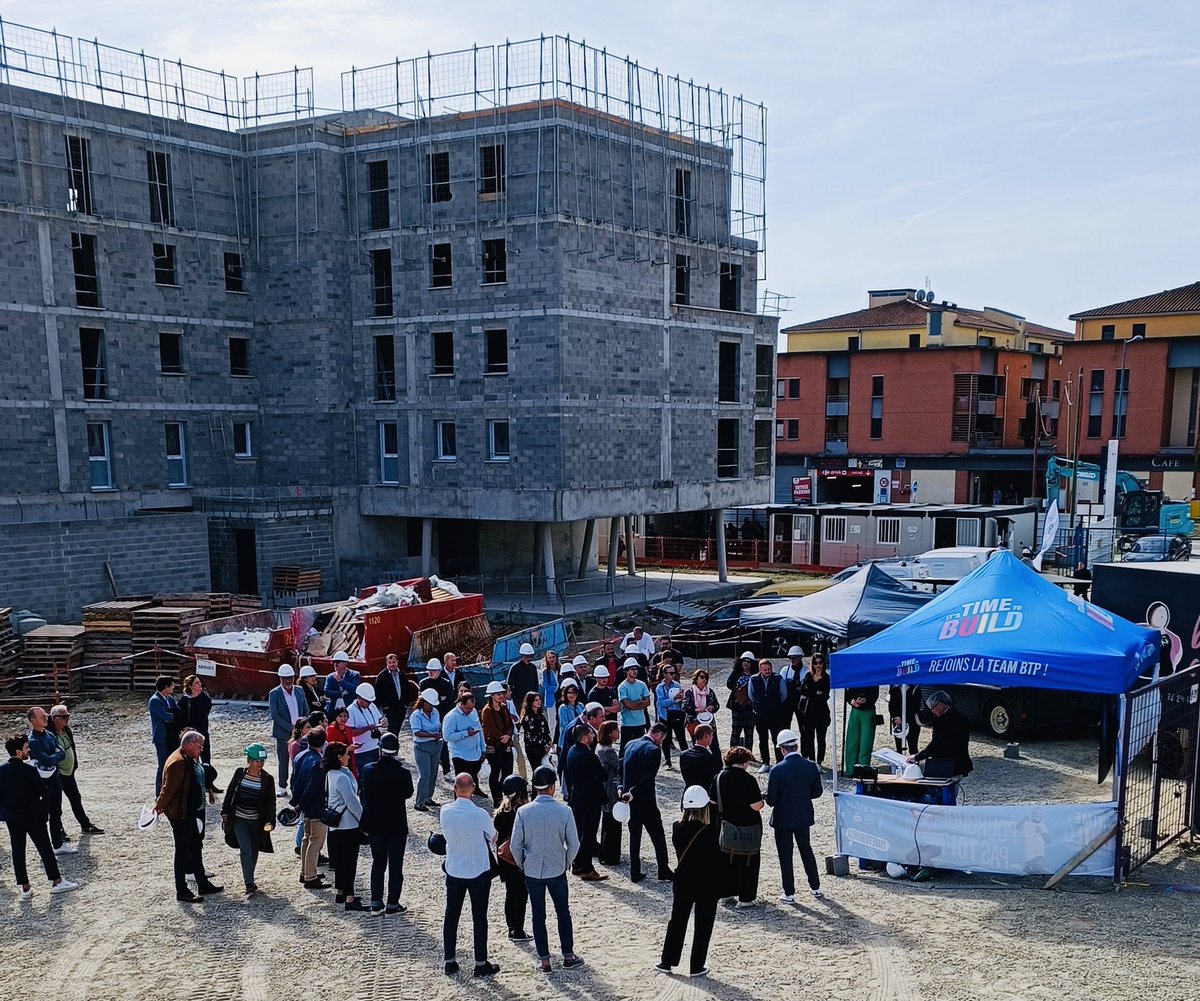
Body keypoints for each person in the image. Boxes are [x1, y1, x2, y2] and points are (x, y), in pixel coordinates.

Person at [511, 765, 584, 972]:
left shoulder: (524, 812)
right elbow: (574, 844)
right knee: (563, 912)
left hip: (532, 870)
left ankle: (544, 960)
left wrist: (522, 863)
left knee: (538, 915)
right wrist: (566, 862)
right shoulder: (564, 810)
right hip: (556, 869)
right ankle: (568, 955)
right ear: (552, 786)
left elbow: (516, 844)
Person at [0, 733, 79, 898]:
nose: (28, 751)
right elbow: (42, 792)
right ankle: (56, 881)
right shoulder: (29, 770)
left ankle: (25, 887)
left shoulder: (1, 771)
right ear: (18, 751)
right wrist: (43, 810)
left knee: (18, 850)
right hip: (32, 816)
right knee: (44, 849)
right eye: (26, 748)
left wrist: (5, 813)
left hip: (13, 818)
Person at [655, 785, 720, 978]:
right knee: (703, 924)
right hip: (707, 882)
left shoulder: (677, 828)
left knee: (677, 921)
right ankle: (696, 966)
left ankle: (667, 961)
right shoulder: (711, 831)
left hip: (683, 880)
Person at [441, 773, 501, 978]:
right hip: (478, 871)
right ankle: (480, 962)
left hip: (455, 869)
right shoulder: (480, 814)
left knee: (452, 915)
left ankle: (450, 960)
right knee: (479, 917)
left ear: (455, 789)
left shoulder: (445, 811)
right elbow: (493, 837)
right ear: (473, 788)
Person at [154, 730, 223, 903]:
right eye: (200, 746)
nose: (202, 749)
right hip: (180, 813)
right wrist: (158, 807)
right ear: (190, 744)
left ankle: (202, 883)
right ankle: (182, 890)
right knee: (182, 851)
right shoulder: (178, 762)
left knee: (195, 846)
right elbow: (168, 789)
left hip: (188, 811)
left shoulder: (188, 757)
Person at [765, 729, 824, 903]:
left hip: (783, 818)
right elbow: (817, 792)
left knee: (785, 855)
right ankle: (815, 887)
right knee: (806, 850)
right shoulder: (810, 766)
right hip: (803, 815)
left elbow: (771, 800)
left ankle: (789, 892)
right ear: (796, 746)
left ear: (782, 749)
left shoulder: (777, 770)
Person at [360, 731, 413, 915]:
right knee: (396, 866)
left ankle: (376, 902)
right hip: (396, 825)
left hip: (375, 824)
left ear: (380, 750)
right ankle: (392, 903)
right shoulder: (403, 773)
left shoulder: (368, 770)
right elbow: (408, 794)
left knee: (378, 863)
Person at [219, 743, 276, 898]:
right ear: (249, 761)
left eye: (262, 761)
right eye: (257, 761)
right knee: (245, 849)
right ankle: (249, 882)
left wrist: (271, 822)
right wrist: (225, 812)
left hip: (257, 821)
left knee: (254, 849)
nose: (260, 764)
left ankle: (249, 877)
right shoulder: (239, 774)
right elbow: (230, 793)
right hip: (239, 819)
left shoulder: (267, 779)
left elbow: (271, 803)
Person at [711, 745, 764, 907]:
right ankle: (745, 898)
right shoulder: (749, 780)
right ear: (744, 762)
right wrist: (762, 800)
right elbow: (756, 806)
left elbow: (713, 802)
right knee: (748, 862)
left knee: (726, 860)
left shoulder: (718, 778)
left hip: (726, 825)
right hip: (748, 826)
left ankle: (725, 894)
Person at [620, 722, 673, 883]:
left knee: (634, 836)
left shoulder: (630, 744)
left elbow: (620, 768)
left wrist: (621, 788)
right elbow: (648, 779)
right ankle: (663, 869)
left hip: (629, 800)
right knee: (657, 836)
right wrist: (634, 793)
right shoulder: (654, 750)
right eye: (662, 739)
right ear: (659, 735)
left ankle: (634, 871)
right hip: (645, 801)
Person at [323, 740, 366, 910]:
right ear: (339, 757)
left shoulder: (331, 774)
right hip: (347, 825)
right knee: (349, 863)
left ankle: (341, 892)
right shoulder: (341, 777)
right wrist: (364, 821)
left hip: (336, 826)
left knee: (340, 862)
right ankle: (350, 897)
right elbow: (352, 803)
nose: (349, 756)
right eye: (346, 754)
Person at [48, 706, 103, 836]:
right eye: (64, 717)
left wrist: (74, 765)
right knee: (56, 805)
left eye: (68, 716)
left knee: (76, 799)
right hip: (57, 774)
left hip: (69, 772)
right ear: (54, 718)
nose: (67, 719)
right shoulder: (49, 735)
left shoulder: (67, 731)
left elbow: (72, 747)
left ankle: (85, 824)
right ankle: (59, 831)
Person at [564, 723, 608, 881]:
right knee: (589, 835)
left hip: (577, 798)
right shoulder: (589, 756)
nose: (593, 736)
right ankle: (587, 868)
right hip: (590, 800)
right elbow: (603, 775)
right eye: (590, 734)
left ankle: (577, 864)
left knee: (580, 833)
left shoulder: (572, 751)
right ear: (584, 738)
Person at [290, 726, 330, 889]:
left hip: (304, 805)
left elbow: (294, 780)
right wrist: (302, 805)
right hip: (315, 806)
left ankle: (305, 872)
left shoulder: (300, 755)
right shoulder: (318, 763)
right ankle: (311, 877)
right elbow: (312, 788)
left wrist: (297, 803)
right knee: (316, 842)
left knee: (307, 839)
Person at [26, 706, 70, 854]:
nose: (46, 718)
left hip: (55, 778)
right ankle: (45, 847)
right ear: (33, 720)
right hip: (42, 783)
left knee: (56, 812)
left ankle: (57, 844)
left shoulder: (49, 734)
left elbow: (61, 752)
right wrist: (55, 756)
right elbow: (46, 760)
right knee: (43, 815)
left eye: (45, 715)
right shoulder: (32, 740)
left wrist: (54, 756)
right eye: (42, 716)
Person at [493, 774, 532, 942]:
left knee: (510, 893)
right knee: (521, 894)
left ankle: (512, 927)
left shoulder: (500, 813)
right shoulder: (522, 813)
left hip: (504, 859)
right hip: (518, 858)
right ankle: (518, 929)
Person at [908, 690, 974, 777]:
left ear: (940, 705)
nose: (932, 712)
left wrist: (918, 757)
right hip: (961, 762)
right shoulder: (962, 717)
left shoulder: (942, 721)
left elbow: (936, 744)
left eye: (932, 709)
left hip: (946, 763)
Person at [268, 664, 307, 795]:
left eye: (289, 678)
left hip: (300, 733)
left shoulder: (300, 690)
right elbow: (275, 715)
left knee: (301, 759)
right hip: (283, 733)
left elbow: (306, 709)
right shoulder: (274, 694)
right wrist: (292, 728)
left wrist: (303, 727)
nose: (288, 681)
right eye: (285, 679)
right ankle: (282, 786)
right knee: (283, 760)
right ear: (280, 679)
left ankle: (299, 785)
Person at [750, 658, 788, 773]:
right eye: (765, 669)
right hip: (760, 714)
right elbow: (751, 695)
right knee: (763, 739)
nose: (767, 671)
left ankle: (780, 762)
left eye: (769, 669)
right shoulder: (753, 679)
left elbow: (784, 695)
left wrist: (773, 705)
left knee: (777, 739)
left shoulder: (778, 679)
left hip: (774, 714)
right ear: (760, 670)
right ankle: (765, 762)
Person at [595, 721, 624, 865]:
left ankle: (607, 853)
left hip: (605, 789)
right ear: (609, 733)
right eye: (616, 731)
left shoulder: (600, 747)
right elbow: (620, 765)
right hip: (611, 790)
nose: (618, 733)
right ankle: (610, 855)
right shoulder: (608, 751)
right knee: (612, 825)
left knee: (608, 823)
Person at [443, 690, 486, 787]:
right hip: (460, 756)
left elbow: (479, 730)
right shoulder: (451, 716)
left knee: (473, 783)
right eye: (468, 708)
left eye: (472, 708)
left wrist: (483, 748)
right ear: (461, 704)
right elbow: (447, 737)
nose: (470, 711)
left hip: (475, 754)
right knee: (461, 785)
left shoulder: (473, 712)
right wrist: (465, 733)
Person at [410, 688, 444, 811]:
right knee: (424, 774)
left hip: (435, 745)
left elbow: (438, 726)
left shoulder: (435, 712)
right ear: (423, 702)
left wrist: (438, 735)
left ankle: (428, 798)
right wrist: (433, 735)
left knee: (433, 773)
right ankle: (419, 802)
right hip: (422, 747)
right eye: (429, 704)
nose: (431, 706)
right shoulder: (416, 715)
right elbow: (417, 732)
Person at [424, 658, 456, 778]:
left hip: (442, 718)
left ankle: (447, 770)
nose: (431, 673)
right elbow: (421, 702)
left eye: (433, 670)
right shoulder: (424, 684)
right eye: (429, 671)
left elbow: (449, 702)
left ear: (439, 670)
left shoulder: (446, 684)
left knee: (443, 745)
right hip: (426, 719)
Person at [798, 653, 831, 767]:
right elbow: (803, 691)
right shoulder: (808, 676)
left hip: (822, 712)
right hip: (809, 712)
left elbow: (825, 695)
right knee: (809, 738)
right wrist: (817, 693)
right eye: (815, 663)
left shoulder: (826, 677)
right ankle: (811, 761)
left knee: (821, 739)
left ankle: (819, 762)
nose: (818, 665)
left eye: (820, 663)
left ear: (823, 664)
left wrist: (815, 693)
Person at [148, 675, 179, 795]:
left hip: (172, 736)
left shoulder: (170, 699)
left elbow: (176, 711)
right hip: (161, 737)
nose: (173, 687)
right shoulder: (155, 700)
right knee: (163, 765)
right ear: (166, 687)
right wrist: (177, 717)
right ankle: (159, 793)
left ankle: (172, 790)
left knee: (173, 764)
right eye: (171, 685)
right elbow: (166, 717)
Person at [346, 682, 386, 770]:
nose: (369, 703)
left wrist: (383, 721)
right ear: (359, 698)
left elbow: (379, 719)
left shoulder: (372, 705)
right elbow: (350, 732)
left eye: (371, 701)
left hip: (376, 746)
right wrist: (368, 728)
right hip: (362, 751)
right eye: (367, 701)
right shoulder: (350, 711)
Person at [843, 683, 880, 776]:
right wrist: (852, 701)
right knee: (851, 741)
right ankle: (850, 770)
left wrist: (864, 702)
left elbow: (874, 696)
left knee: (866, 742)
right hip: (855, 711)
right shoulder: (855, 676)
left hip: (868, 711)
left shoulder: (873, 679)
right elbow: (848, 694)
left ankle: (863, 769)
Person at [655, 664, 687, 767]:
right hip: (665, 716)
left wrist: (681, 698)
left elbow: (681, 700)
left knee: (681, 738)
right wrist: (674, 699)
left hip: (677, 714)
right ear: (664, 674)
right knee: (666, 739)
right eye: (670, 673)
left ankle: (686, 759)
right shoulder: (660, 687)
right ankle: (668, 760)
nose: (673, 675)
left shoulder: (677, 685)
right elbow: (662, 703)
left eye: (674, 673)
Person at [678, 723, 720, 804]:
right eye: (711, 735)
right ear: (706, 736)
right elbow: (714, 780)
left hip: (688, 795)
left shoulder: (683, 755)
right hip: (704, 797)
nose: (712, 738)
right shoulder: (709, 758)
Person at [617, 657, 653, 750]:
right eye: (632, 669)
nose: (635, 671)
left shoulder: (642, 684)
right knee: (625, 748)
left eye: (636, 669)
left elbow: (648, 702)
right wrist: (640, 702)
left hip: (640, 722)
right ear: (626, 671)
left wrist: (634, 705)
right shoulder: (622, 686)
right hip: (627, 723)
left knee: (639, 748)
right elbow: (627, 705)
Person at [177, 675, 213, 765]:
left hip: (203, 732)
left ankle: (206, 777)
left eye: (199, 682)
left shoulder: (203, 697)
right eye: (196, 683)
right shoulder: (184, 701)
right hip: (191, 734)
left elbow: (208, 706)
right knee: (191, 760)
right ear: (190, 686)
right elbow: (181, 718)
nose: (199, 684)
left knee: (206, 760)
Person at [555, 681, 584, 792]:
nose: (571, 695)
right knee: (566, 767)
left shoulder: (581, 706)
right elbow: (564, 725)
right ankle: (566, 791)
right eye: (569, 693)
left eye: (574, 692)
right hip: (566, 741)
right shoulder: (563, 707)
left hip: (580, 740)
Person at [682, 670, 720, 753]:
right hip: (694, 721)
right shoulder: (689, 692)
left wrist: (712, 707)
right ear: (696, 679)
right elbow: (684, 707)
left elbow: (717, 705)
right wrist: (697, 709)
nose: (704, 679)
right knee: (697, 745)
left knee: (714, 746)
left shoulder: (710, 692)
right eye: (702, 677)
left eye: (706, 678)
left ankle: (718, 765)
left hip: (709, 721)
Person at [725, 652, 756, 752]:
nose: (746, 664)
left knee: (749, 732)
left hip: (750, 707)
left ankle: (748, 753)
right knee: (736, 731)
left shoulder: (755, 675)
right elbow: (729, 684)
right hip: (737, 706)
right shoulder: (736, 673)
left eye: (748, 662)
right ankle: (732, 752)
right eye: (744, 661)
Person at [375, 652, 412, 736]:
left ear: (397, 662)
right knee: (392, 731)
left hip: (401, 708)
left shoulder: (402, 674)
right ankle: (392, 747)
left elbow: (407, 690)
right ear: (387, 663)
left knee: (398, 731)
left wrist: (406, 704)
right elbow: (378, 693)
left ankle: (395, 747)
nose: (392, 664)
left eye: (394, 662)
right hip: (389, 710)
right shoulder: (382, 676)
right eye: (390, 662)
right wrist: (383, 708)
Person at [888, 683, 924, 756]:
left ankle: (914, 765)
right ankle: (900, 764)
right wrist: (896, 717)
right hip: (897, 723)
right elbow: (891, 707)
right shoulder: (895, 688)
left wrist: (904, 719)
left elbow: (916, 708)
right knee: (899, 747)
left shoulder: (915, 688)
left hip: (912, 723)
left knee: (913, 747)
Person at [520, 692, 553, 771]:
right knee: (537, 771)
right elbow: (532, 736)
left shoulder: (541, 715)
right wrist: (543, 747)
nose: (539, 702)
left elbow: (546, 731)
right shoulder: (527, 718)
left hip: (543, 748)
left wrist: (548, 743)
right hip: (533, 749)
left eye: (539, 699)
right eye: (536, 700)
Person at [323, 651, 361, 716]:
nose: (335, 664)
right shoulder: (330, 677)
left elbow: (354, 689)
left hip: (349, 708)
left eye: (338, 662)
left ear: (345, 663)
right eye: (334, 662)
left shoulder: (354, 675)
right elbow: (327, 691)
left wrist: (341, 681)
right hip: (334, 708)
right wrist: (341, 693)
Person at [507, 642, 541, 710]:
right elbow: (510, 685)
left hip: (531, 700)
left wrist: (535, 697)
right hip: (519, 701)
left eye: (530, 656)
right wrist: (515, 699)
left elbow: (535, 683)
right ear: (521, 656)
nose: (529, 659)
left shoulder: (533, 667)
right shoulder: (515, 668)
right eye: (526, 657)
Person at [326, 706, 358, 777]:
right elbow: (331, 749)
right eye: (340, 716)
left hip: (349, 759)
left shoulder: (348, 729)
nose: (343, 718)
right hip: (337, 761)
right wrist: (348, 748)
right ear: (336, 717)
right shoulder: (331, 729)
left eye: (345, 716)